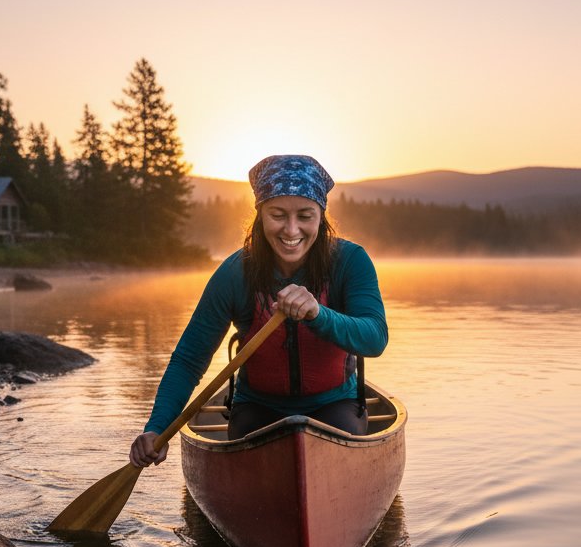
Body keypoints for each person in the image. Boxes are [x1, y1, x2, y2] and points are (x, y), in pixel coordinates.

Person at [129, 154, 388, 468]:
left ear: (321, 215)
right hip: (259, 408)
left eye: (305, 215)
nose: (291, 229)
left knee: (341, 435)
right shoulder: (235, 273)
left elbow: (375, 338)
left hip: (335, 404)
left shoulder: (351, 261)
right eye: (277, 214)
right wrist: (157, 427)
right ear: (260, 215)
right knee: (250, 436)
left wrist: (318, 314)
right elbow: (189, 359)